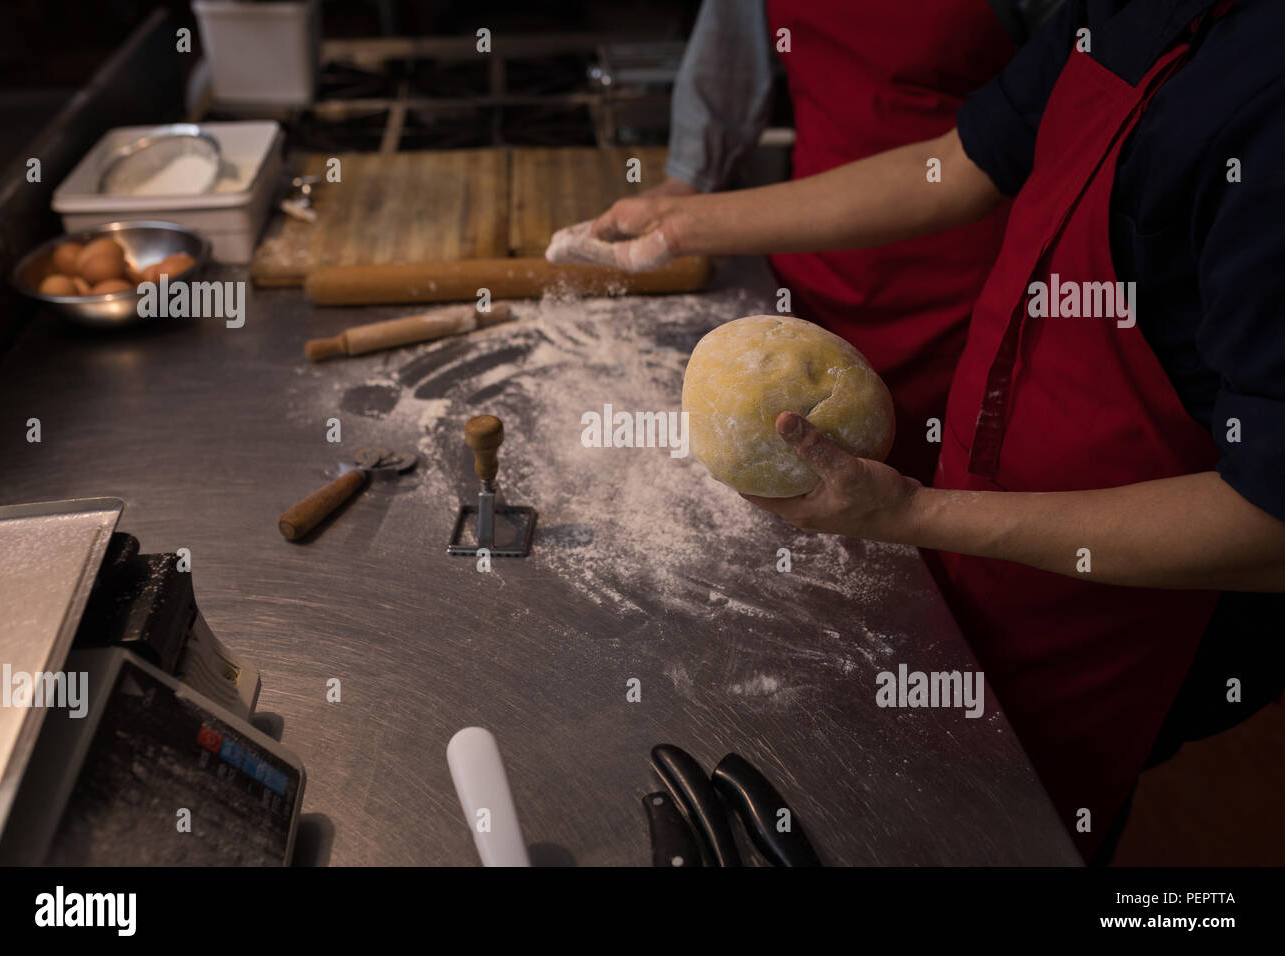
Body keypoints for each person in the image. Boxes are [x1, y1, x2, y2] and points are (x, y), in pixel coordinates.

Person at [550, 0, 1285, 862]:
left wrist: (916, 515)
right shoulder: (1128, 7)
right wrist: (680, 225)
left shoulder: (1267, 98)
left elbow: (1270, 522)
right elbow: (960, 163)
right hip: (993, 510)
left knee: (1015, 829)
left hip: (1116, 602)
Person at [563, 0, 1062, 482]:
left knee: (932, 499)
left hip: (958, 289)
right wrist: (689, 180)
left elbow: (978, 158)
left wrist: (684, 223)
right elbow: (728, 51)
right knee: (799, 484)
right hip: (805, 254)